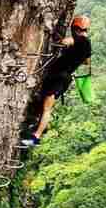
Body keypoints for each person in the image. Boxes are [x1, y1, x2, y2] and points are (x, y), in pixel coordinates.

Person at [22, 15, 92, 147]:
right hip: (63, 78)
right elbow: (87, 62)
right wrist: (73, 57)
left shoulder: (79, 40)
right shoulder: (87, 43)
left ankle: (35, 138)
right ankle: (37, 128)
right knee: (44, 106)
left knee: (47, 108)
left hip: (59, 78)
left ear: (75, 28)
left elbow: (66, 41)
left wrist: (63, 44)